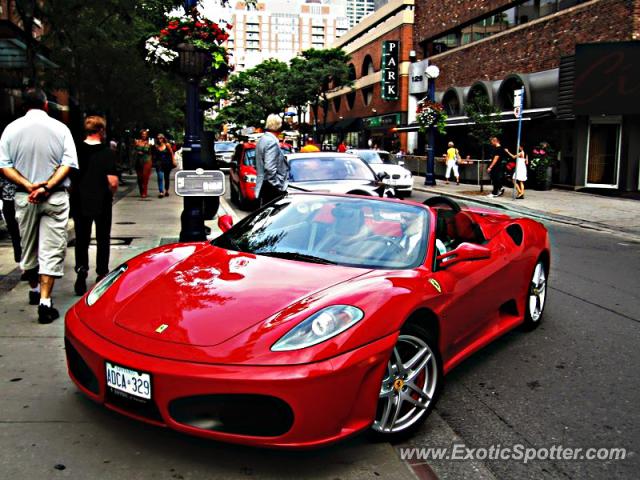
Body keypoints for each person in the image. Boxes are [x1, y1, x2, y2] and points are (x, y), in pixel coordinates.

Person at [0, 88, 78, 323]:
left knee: (29, 245)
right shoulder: (60, 129)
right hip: (54, 197)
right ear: (46, 105)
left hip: (25, 197)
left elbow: (5, 165)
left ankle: (34, 288)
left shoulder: (10, 130)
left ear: (24, 106)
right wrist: (48, 186)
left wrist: (29, 185)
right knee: (52, 248)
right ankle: (45, 300)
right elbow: (68, 163)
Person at [71, 115, 119, 295]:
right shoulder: (107, 153)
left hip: (79, 200)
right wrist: (110, 194)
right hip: (102, 200)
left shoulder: (75, 151)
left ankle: (81, 271)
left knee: (81, 238)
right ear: (100, 131)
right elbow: (112, 182)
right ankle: (101, 273)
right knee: (102, 237)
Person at [255, 114, 289, 206]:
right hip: (271, 189)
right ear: (278, 126)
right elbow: (270, 168)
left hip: (263, 185)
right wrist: (278, 186)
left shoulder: (262, 140)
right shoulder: (271, 142)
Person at [1, 173, 22, 263]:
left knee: (15, 232)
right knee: (17, 231)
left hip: (12, 199)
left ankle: (22, 260)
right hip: (12, 199)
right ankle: (22, 260)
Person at [153, 133, 176, 198]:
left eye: (160, 138)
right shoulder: (156, 146)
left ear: (163, 139)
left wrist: (173, 160)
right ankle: (161, 192)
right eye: (158, 138)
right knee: (160, 177)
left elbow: (171, 153)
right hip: (159, 164)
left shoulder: (167, 145)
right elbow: (154, 155)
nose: (159, 139)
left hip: (167, 163)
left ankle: (166, 190)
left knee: (166, 177)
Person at [134, 129, 152, 198]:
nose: (143, 135)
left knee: (145, 177)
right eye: (142, 134)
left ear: (147, 135)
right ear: (140, 135)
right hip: (138, 161)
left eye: (145, 134)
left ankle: (144, 192)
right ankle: (141, 191)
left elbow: (151, 153)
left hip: (147, 160)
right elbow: (133, 151)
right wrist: (136, 152)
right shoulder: (137, 142)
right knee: (139, 178)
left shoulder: (149, 143)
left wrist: (150, 161)